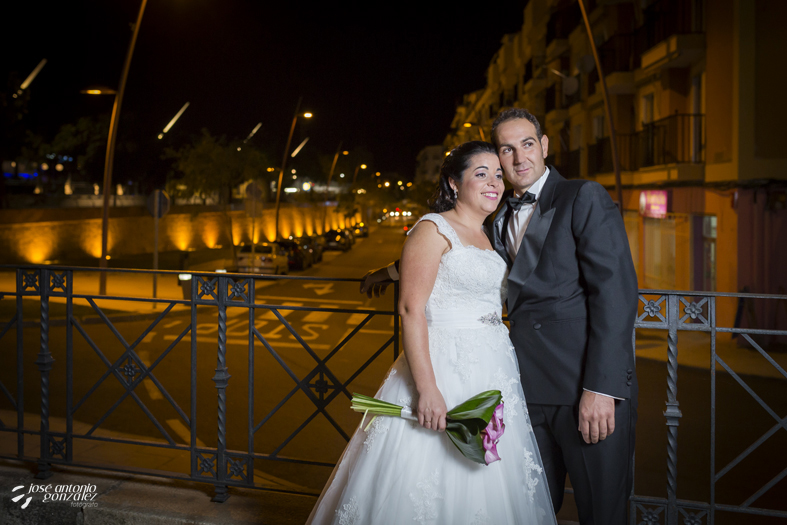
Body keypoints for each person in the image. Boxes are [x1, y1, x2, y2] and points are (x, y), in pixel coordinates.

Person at [361, 108, 638, 525]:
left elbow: (616, 294)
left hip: (583, 389)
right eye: (506, 149)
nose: (518, 157)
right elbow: (451, 252)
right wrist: (385, 273)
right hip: (520, 391)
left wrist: (602, 388)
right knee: (527, 508)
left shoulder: (583, 196)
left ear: (544, 146)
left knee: (602, 512)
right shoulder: (496, 214)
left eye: (527, 144)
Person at [307, 141, 556, 525]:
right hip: (445, 366)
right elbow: (411, 309)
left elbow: (444, 272)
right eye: (481, 174)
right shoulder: (432, 227)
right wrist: (427, 388)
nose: (494, 182)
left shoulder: (489, 234)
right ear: (454, 183)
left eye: (497, 174)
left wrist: (385, 273)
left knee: (487, 482)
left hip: (492, 368)